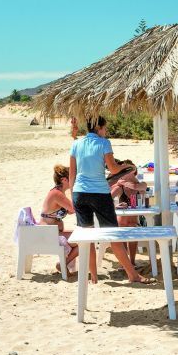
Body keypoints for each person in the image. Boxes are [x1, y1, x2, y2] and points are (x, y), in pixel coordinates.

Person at [68, 116, 150, 284]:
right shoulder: (104, 143)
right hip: (99, 193)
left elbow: (72, 174)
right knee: (113, 234)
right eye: (104, 129)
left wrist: (73, 195)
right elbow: (112, 168)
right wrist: (127, 168)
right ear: (99, 127)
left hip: (79, 193)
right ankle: (132, 275)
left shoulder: (76, 144)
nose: (105, 132)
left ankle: (94, 277)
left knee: (87, 236)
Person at [41, 164, 80, 275]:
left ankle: (65, 266)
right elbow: (73, 209)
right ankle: (62, 264)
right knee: (83, 241)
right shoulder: (57, 194)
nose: (74, 181)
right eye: (72, 178)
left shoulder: (58, 192)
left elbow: (71, 210)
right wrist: (73, 191)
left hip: (52, 232)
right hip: (48, 234)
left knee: (80, 237)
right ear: (64, 179)